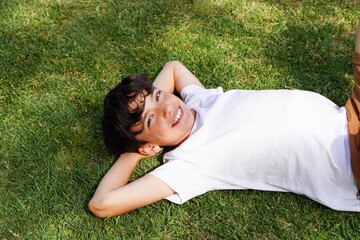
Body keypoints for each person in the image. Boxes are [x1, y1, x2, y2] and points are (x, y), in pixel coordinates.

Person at [88, 21, 360, 218]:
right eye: (150, 121)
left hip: (349, 115)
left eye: (159, 97)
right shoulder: (188, 164)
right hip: (348, 158)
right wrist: (134, 151)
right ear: (149, 146)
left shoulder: (198, 100)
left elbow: (173, 68)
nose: (167, 109)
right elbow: (102, 203)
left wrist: (148, 114)